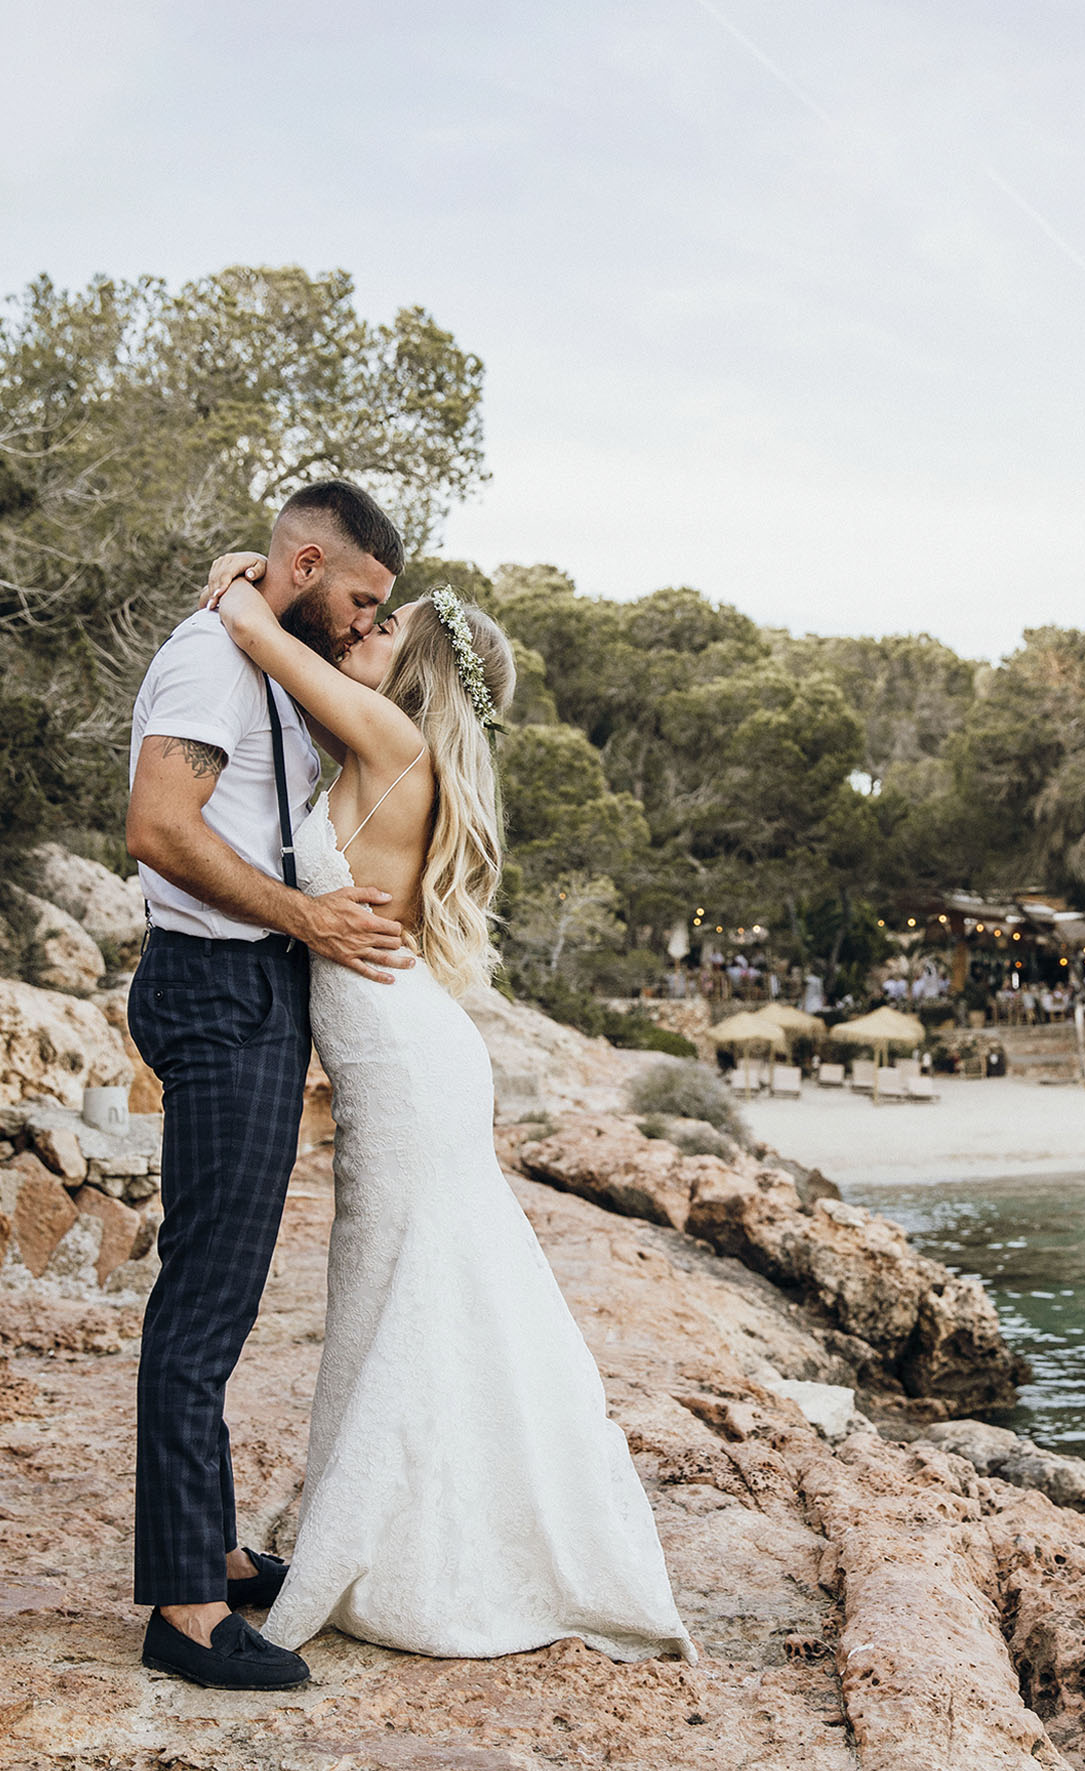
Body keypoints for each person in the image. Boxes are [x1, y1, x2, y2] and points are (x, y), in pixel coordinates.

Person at [199, 552, 697, 1671]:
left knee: (415, 1278)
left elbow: (260, 640)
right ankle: (404, 1527)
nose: (360, 633)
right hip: (405, 1045)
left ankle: (427, 1553)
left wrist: (241, 586)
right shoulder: (379, 750)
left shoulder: (393, 744)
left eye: (385, 629)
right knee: (400, 1279)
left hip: (404, 1057)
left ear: (416, 669)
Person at [125, 481, 413, 1691]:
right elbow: (159, 825)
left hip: (251, 985)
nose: (360, 625)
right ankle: (186, 1612)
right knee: (203, 1307)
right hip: (217, 984)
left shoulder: (262, 649)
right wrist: (306, 919)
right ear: (305, 562)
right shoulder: (209, 664)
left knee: (226, 1298)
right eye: (356, 599)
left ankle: (212, 1551)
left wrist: (263, 598)